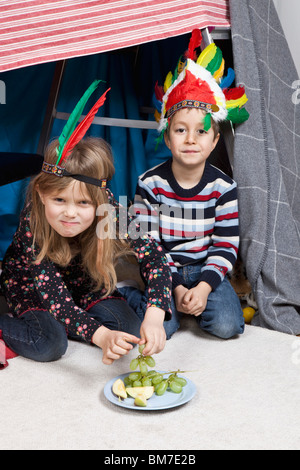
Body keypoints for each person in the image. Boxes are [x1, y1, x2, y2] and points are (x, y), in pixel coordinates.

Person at [0, 81, 172, 367]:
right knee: (51, 344)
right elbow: (55, 298)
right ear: (42, 193)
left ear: (101, 200)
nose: (70, 213)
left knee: (127, 329)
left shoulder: (111, 213)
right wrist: (100, 336)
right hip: (32, 286)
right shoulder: (35, 222)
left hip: (82, 282)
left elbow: (155, 256)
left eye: (83, 204)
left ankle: (81, 323)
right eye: (60, 201)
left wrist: (155, 315)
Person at [124, 29, 250, 341]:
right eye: (180, 130)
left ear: (214, 140)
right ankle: (126, 294)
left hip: (208, 270)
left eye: (201, 131)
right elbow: (147, 242)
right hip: (162, 271)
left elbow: (225, 244)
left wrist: (205, 287)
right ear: (167, 137)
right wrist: (176, 286)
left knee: (227, 326)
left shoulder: (224, 188)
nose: (191, 139)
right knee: (161, 328)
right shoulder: (149, 183)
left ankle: (195, 302)